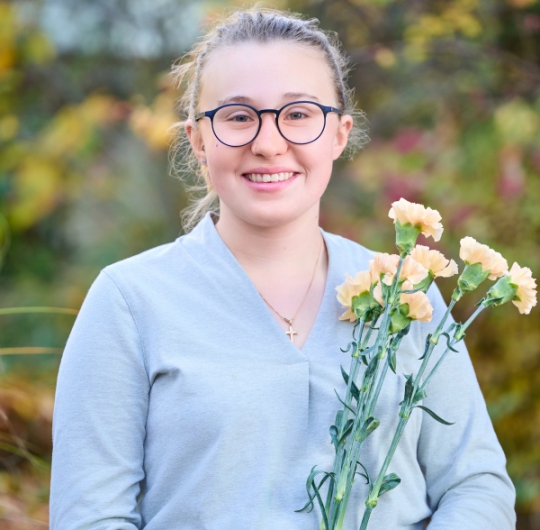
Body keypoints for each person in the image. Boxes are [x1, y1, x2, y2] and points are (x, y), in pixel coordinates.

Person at [49, 8, 516, 530]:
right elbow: (91, 517)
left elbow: (475, 484)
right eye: (237, 117)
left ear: (338, 133)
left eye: (297, 114)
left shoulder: (405, 293)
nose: (268, 144)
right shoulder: (130, 302)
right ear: (198, 140)